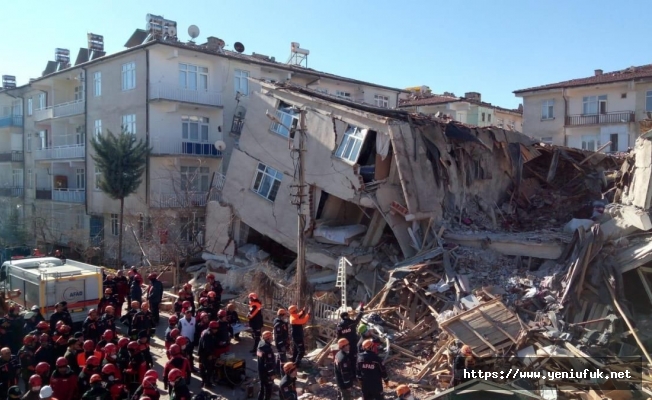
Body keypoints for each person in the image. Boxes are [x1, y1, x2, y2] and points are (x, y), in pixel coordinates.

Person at [336, 304, 364, 374]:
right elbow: (358, 319)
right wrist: (361, 311)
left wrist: (340, 346)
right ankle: (355, 373)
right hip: (353, 344)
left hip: (344, 346)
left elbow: (338, 337)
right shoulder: (351, 323)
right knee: (354, 358)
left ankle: (348, 373)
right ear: (347, 316)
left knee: (346, 360)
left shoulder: (339, 326)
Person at [197, 322, 217, 388]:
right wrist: (210, 355)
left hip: (202, 353)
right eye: (215, 328)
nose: (216, 330)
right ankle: (207, 383)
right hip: (205, 354)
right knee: (209, 368)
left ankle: (204, 380)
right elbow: (206, 346)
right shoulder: (208, 335)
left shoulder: (206, 331)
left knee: (202, 367)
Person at [256, 331, 276, 400]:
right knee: (268, 391)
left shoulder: (260, 344)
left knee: (262, 389)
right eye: (271, 336)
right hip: (266, 373)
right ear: (268, 338)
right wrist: (272, 374)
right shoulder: (267, 349)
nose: (272, 338)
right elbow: (268, 364)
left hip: (261, 371)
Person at [273, 308, 290, 374]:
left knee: (279, 357)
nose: (286, 316)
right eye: (285, 315)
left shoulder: (281, 322)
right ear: (281, 315)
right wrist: (282, 345)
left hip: (282, 342)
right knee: (283, 359)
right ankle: (283, 373)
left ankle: (277, 371)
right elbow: (278, 337)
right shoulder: (278, 324)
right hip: (281, 343)